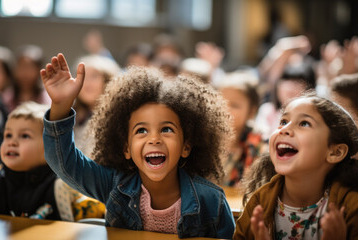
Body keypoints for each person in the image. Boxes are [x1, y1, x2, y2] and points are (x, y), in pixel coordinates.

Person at [40, 53, 235, 238]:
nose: (154, 139)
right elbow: (65, 163)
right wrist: (61, 106)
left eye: (166, 129)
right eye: (141, 130)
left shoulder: (211, 200)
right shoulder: (114, 185)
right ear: (126, 148)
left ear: (186, 146)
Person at [234, 93, 358, 239]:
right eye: (283, 121)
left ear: (335, 152)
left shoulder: (352, 207)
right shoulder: (259, 202)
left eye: (304, 123)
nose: (285, 129)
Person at [0, 101, 105, 221]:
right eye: (8, 135)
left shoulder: (65, 187)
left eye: (24, 136)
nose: (11, 142)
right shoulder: (0, 182)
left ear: (50, 146)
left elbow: (94, 218)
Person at [217, 71, 267, 187]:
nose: (225, 109)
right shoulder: (204, 139)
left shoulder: (257, 144)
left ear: (251, 112)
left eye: (234, 105)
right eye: (221, 102)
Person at [72, 55, 120, 156]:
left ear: (108, 80)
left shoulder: (118, 116)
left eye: (94, 76)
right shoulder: (72, 117)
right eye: (83, 77)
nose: (87, 83)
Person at [254, 63, 316, 141]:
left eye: (298, 82)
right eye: (286, 80)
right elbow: (261, 134)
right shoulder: (267, 110)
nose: (291, 87)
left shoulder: (312, 115)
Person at [2, 45, 51, 113]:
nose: (25, 73)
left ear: (39, 70)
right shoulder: (7, 98)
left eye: (30, 68)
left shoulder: (46, 97)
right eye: (21, 67)